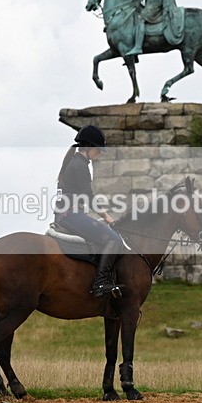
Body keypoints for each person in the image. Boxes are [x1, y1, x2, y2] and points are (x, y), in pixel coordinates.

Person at [55, 125, 124, 298]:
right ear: (90, 148)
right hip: (71, 215)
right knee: (114, 239)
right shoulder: (80, 166)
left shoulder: (75, 162)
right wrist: (107, 217)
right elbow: (89, 197)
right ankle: (100, 281)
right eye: (98, 150)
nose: (99, 154)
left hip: (68, 214)